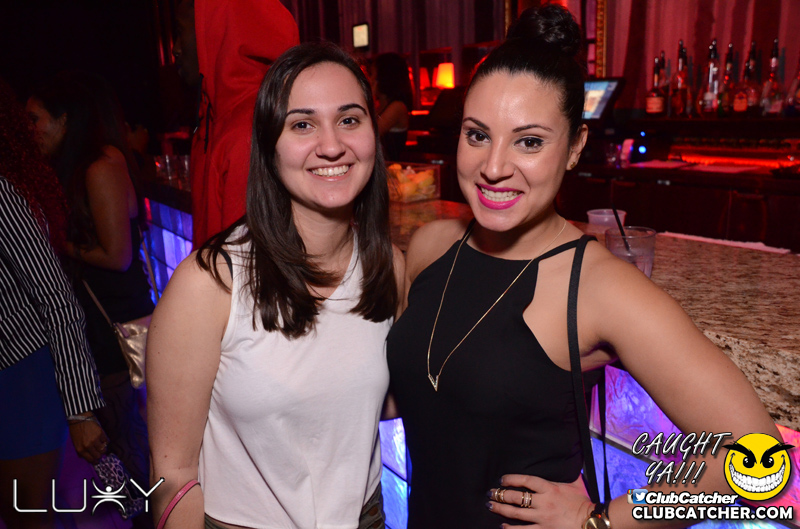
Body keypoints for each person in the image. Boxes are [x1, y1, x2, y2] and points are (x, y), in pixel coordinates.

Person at [385, 5, 780, 528]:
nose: (494, 166)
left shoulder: (598, 287)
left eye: (529, 141)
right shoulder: (431, 246)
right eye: (477, 135)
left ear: (575, 147)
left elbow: (763, 463)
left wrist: (601, 521)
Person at [147, 42, 404, 529]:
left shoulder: (387, 266)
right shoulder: (210, 283)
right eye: (302, 124)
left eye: (349, 119)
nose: (332, 145)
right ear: (269, 146)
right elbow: (173, 474)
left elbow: (373, 395)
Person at [27, 71, 155, 529]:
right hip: (98, 329)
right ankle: (139, 512)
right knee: (115, 444)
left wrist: (54, 245)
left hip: (118, 325)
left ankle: (151, 516)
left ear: (64, 119)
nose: (30, 129)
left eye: (36, 118)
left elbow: (117, 256)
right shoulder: (73, 168)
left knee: (130, 438)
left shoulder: (101, 166)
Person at [0, 78, 106, 529]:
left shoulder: (1, 193)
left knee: (28, 518)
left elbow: (57, 300)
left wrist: (80, 409)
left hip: (21, 377)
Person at [172, 0, 300, 246]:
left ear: (217, 31)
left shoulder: (247, 131)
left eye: (181, 31)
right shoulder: (214, 116)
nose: (175, 49)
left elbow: (242, 260)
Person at [371, 53, 413, 161]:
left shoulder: (397, 107)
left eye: (372, 75)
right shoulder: (381, 106)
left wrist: (369, 97)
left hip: (391, 167)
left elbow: (370, 133)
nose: (370, 80)